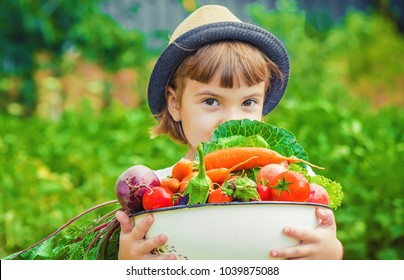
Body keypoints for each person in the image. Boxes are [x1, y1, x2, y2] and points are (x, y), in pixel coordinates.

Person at [115, 4, 343, 260]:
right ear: (175, 104)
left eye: (248, 102)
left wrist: (330, 254)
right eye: (211, 101)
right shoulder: (154, 192)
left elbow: (317, 249)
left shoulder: (292, 181)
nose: (231, 120)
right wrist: (129, 263)